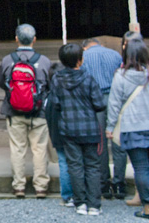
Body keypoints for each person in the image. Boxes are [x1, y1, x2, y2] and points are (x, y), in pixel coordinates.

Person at [50, 42, 107, 215]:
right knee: (92, 166)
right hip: (89, 128)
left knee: (74, 165)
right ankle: (94, 205)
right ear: (80, 61)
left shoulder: (57, 79)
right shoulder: (88, 78)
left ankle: (80, 203)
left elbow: (56, 103)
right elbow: (99, 104)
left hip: (68, 128)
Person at [0, 23, 52, 198]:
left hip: (14, 111)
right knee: (40, 149)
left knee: (17, 149)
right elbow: (50, 86)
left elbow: (1, 83)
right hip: (39, 112)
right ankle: (41, 186)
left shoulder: (7, 60)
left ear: (16, 39)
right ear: (34, 39)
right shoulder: (44, 61)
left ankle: (19, 186)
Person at [107, 38, 149, 218]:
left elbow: (114, 104)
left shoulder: (120, 76)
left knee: (140, 168)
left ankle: (147, 207)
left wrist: (110, 126)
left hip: (132, 127)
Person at [82, 37, 125, 200]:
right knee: (117, 141)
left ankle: (104, 183)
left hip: (95, 100)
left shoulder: (84, 57)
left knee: (100, 142)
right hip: (115, 98)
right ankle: (119, 182)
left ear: (85, 47)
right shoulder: (114, 55)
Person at [46, 61, 75, 207]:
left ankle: (67, 196)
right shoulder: (70, 94)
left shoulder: (49, 97)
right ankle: (77, 194)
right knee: (76, 162)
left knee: (63, 163)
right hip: (72, 133)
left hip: (57, 134)